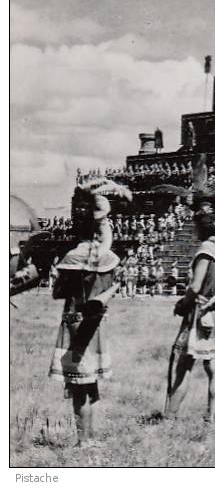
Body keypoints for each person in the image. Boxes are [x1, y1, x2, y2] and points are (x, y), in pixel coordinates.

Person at [48, 178, 130, 447]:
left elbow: (59, 293)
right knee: (91, 383)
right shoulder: (106, 256)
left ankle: (84, 441)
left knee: (78, 387)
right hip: (97, 325)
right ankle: (92, 438)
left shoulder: (74, 256)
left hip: (74, 322)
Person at [165, 191, 215, 423]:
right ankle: (211, 418)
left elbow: (195, 287)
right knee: (213, 367)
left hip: (198, 313)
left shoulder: (205, 250)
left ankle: (170, 417)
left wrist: (182, 304)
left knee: (183, 366)